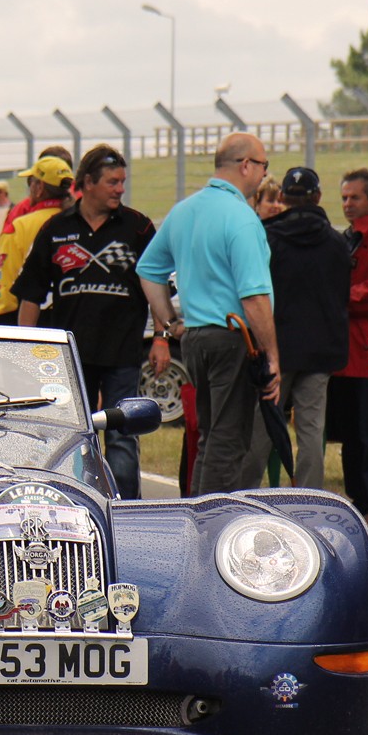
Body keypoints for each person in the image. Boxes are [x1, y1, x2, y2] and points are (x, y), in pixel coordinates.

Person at [13, 145, 161, 498]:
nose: (120, 189)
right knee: (74, 438)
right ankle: (79, 502)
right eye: (112, 181)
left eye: (122, 181)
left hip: (122, 353)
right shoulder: (56, 228)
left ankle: (127, 513)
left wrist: (162, 337)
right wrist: (21, 349)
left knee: (123, 440)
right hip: (70, 357)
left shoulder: (138, 228)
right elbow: (30, 294)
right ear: (87, 183)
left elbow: (157, 287)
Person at [138, 133, 280, 496]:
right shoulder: (243, 219)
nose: (264, 174)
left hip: (198, 337)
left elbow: (149, 271)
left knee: (209, 437)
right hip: (233, 336)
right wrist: (272, 355)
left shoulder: (185, 210)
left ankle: (197, 513)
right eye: (263, 166)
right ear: (246, 165)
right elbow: (254, 298)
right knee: (228, 442)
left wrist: (170, 324)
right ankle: (214, 523)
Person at [263, 166, 351, 490]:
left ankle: (248, 493)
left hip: (277, 349)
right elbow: (343, 295)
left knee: (265, 427)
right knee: (312, 430)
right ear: (317, 197)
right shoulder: (336, 242)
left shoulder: (268, 238)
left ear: (283, 197)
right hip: (320, 349)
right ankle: (308, 497)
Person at [330, 168, 368, 529]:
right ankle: (358, 499)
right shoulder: (346, 239)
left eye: (354, 197)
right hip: (344, 355)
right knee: (350, 437)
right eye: (343, 198)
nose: (348, 204)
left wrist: (335, 298)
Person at [0, 155, 72, 324]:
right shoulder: (81, 223)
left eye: (30, 182)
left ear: (39, 187)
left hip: (30, 321)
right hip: (72, 321)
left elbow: (6, 290)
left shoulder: (19, 227)